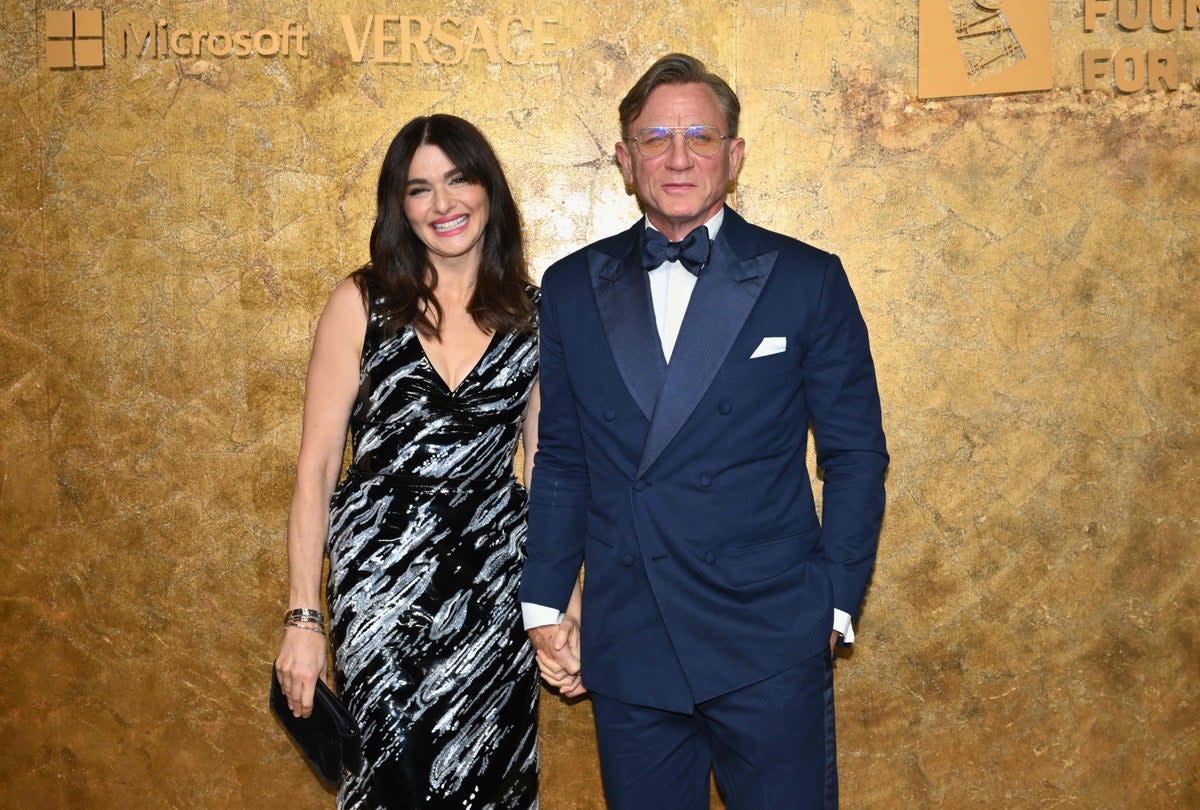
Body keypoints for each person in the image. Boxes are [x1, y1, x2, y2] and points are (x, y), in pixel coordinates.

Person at [522, 54, 888, 809]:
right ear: (625, 160)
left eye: (700, 136)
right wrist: (545, 602)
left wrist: (835, 600)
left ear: (735, 154)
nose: (679, 157)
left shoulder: (806, 278)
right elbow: (562, 459)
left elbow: (853, 455)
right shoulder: (569, 287)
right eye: (656, 138)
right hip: (631, 639)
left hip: (769, 638)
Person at [274, 114, 567, 809]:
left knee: (490, 778)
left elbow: (549, 470)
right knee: (392, 780)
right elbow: (315, 468)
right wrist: (303, 618)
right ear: (398, 207)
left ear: (489, 191)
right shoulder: (361, 303)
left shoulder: (535, 316)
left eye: (459, 180)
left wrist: (563, 598)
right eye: (420, 189)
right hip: (381, 581)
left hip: (496, 585)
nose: (443, 205)